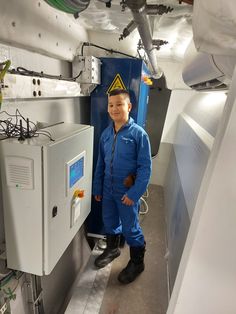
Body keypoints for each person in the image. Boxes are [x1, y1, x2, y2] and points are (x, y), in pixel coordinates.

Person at [92, 88, 152, 284]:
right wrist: (97, 187)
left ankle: (137, 262)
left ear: (129, 106)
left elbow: (145, 168)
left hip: (127, 192)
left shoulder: (138, 135)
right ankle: (113, 249)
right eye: (111, 105)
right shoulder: (106, 134)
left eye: (119, 104)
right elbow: (100, 162)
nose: (114, 108)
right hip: (108, 190)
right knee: (109, 220)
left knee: (130, 227)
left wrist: (134, 194)